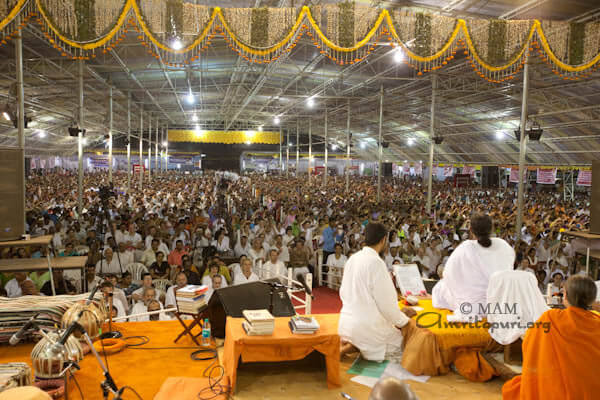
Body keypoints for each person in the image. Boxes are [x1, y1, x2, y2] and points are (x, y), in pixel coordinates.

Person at [502, 276, 600, 400]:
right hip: (593, 391)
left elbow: (530, 343)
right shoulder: (597, 321)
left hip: (558, 390)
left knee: (511, 389)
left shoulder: (551, 317)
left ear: (565, 295)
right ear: (592, 299)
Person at [338, 223, 416, 362]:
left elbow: (343, 292)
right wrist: (404, 321)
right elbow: (386, 305)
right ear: (383, 240)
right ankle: (361, 345)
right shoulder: (376, 262)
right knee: (406, 345)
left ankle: (353, 345)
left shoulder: (352, 258)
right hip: (367, 327)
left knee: (378, 329)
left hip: (346, 323)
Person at [432, 214, 515, 317]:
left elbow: (448, 274)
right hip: (500, 302)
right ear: (492, 229)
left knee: (440, 288)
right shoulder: (503, 245)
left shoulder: (466, 247)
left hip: (473, 305)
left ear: (470, 229)